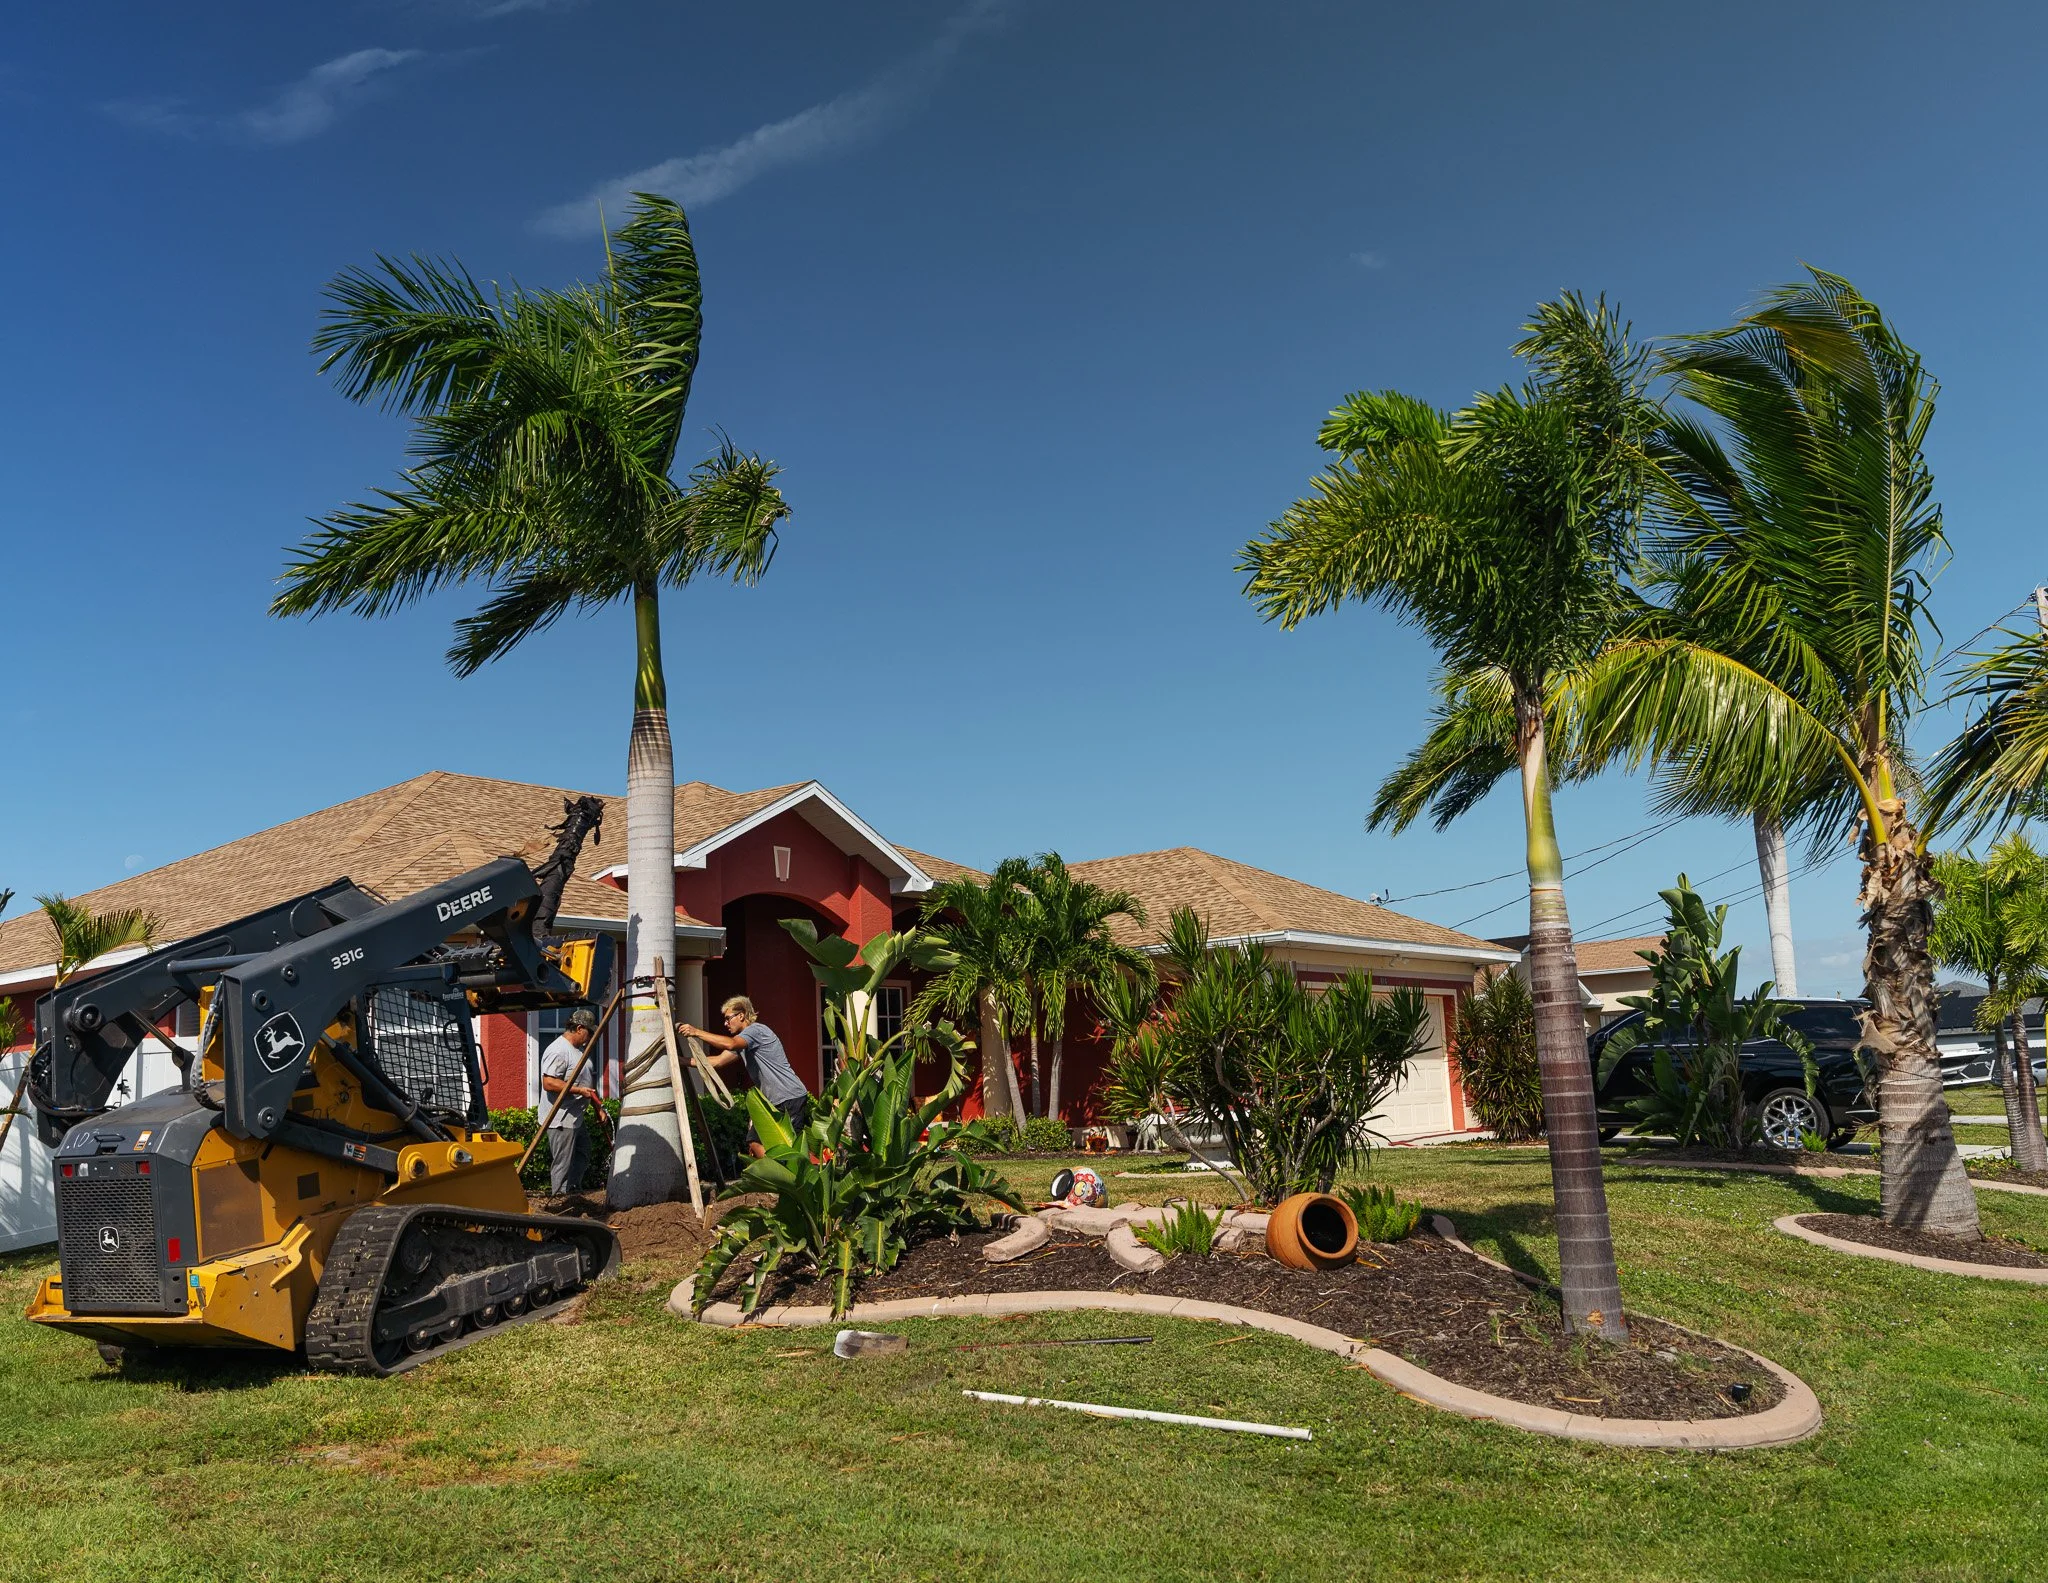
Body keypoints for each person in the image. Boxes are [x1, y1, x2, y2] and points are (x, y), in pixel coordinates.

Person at [679, 996, 809, 1158]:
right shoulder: (744, 1042)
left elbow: (730, 1044)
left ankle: (782, 1172)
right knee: (755, 1142)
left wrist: (696, 1032)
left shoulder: (755, 1031)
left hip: (789, 1097)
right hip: (774, 1102)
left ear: (741, 1015)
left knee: (786, 1149)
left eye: (728, 1018)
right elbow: (718, 1061)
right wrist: (681, 1061)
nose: (725, 1023)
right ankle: (777, 1171)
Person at [538, 1007, 602, 1195]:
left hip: (575, 1117)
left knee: (583, 1152)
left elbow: (586, 1083)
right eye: (589, 1032)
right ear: (580, 1028)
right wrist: (579, 1090)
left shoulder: (578, 1051)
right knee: (563, 1163)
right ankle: (559, 1198)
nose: (590, 1037)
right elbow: (549, 1082)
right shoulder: (559, 1050)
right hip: (560, 1119)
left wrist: (598, 1108)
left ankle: (572, 1191)